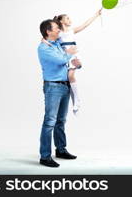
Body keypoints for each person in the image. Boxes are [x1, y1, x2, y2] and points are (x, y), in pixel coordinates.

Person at [38, 19, 81, 168]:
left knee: (61, 121)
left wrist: (76, 63)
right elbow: (60, 60)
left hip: (64, 85)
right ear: (48, 31)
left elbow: (67, 57)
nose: (59, 31)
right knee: (49, 122)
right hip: (53, 87)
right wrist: (69, 53)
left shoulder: (55, 43)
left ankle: (61, 150)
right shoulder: (44, 48)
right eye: (56, 28)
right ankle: (45, 156)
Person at [45, 9, 102, 115]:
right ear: (61, 21)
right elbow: (49, 38)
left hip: (73, 55)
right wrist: (44, 40)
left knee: (71, 76)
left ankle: (77, 100)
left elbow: (85, 25)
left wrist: (96, 15)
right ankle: (74, 101)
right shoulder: (59, 34)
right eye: (67, 18)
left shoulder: (71, 31)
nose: (70, 20)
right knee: (67, 79)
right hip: (64, 57)